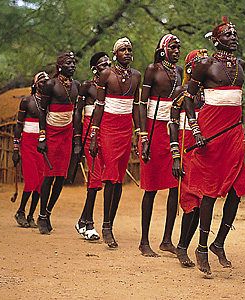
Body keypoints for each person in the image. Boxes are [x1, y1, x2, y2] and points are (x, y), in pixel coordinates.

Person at [183, 18, 245, 275]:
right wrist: (196, 129)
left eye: (235, 33)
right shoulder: (204, 65)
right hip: (210, 133)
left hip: (234, 133)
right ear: (216, 39)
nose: (233, 36)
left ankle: (218, 242)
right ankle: (200, 248)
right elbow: (188, 100)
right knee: (209, 191)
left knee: (237, 189)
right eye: (228, 34)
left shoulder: (241, 65)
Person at [89, 38, 141, 248]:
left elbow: (136, 107)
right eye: (122, 50)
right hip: (108, 129)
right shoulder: (106, 75)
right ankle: (106, 226)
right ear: (115, 54)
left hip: (125, 129)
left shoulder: (136, 76)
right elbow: (99, 106)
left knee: (118, 178)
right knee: (110, 176)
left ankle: (111, 222)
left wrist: (140, 134)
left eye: (129, 49)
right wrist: (94, 134)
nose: (127, 52)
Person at [138, 34, 183, 257]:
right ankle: (144, 241)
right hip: (153, 131)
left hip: (173, 131)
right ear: (164, 49)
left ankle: (167, 239)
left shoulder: (179, 71)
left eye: (179, 48)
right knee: (152, 187)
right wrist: (143, 137)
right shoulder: (152, 69)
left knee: (175, 186)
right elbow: (142, 104)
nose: (177, 51)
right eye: (173, 47)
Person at [169, 49, 208, 267]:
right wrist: (176, 157)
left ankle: (191, 245)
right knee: (191, 200)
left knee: (204, 200)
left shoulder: (211, 91)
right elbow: (172, 124)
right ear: (192, 68)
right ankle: (182, 247)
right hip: (186, 146)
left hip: (205, 148)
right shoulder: (181, 92)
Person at [37, 52, 80, 234]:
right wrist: (42, 137)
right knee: (49, 176)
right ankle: (41, 216)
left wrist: (77, 139)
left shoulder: (77, 85)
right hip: (52, 133)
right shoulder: (50, 85)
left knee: (61, 178)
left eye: (74, 63)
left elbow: (77, 113)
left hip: (67, 134)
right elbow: (42, 111)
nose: (72, 66)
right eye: (68, 63)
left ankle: (48, 213)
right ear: (59, 66)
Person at [73, 52, 111, 240]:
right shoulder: (87, 86)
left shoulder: (111, 86)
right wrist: (78, 141)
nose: (107, 67)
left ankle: (82, 219)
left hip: (108, 136)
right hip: (91, 136)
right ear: (95, 68)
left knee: (103, 178)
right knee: (95, 178)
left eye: (109, 64)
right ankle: (89, 224)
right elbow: (77, 114)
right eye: (103, 65)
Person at [13, 71, 50, 228]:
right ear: (35, 85)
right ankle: (20, 211)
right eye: (42, 82)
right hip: (28, 144)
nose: (45, 85)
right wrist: (16, 148)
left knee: (41, 183)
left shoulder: (50, 102)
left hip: (42, 145)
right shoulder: (27, 101)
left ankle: (31, 215)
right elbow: (19, 125)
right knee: (31, 181)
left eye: (47, 82)